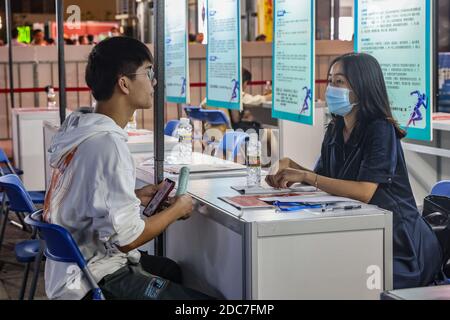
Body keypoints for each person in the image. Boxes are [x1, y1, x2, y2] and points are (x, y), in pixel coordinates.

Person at [44, 37, 211, 300]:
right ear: (124, 83)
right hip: (94, 278)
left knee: (170, 269)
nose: (154, 82)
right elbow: (127, 240)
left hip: (67, 271)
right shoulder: (108, 144)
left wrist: (135, 196)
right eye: (148, 73)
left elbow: (84, 201)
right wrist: (178, 209)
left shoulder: (79, 131)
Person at [266, 52, 442, 289]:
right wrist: (292, 167)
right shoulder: (336, 128)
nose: (331, 88)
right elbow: (325, 179)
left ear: (362, 87)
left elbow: (364, 191)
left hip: (399, 245)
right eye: (330, 81)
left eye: (340, 81)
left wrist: (307, 176)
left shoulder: (380, 129)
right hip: (361, 232)